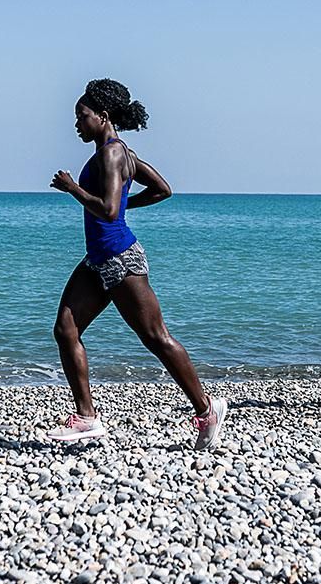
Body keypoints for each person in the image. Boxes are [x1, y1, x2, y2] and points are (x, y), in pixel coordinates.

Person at [48, 78, 227, 448]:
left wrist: (73, 188)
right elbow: (162, 189)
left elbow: (109, 210)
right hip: (99, 259)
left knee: (156, 337)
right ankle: (86, 417)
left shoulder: (113, 154)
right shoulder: (121, 153)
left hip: (120, 259)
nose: (77, 123)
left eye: (82, 116)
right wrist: (122, 201)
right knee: (66, 330)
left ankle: (207, 409)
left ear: (102, 115)